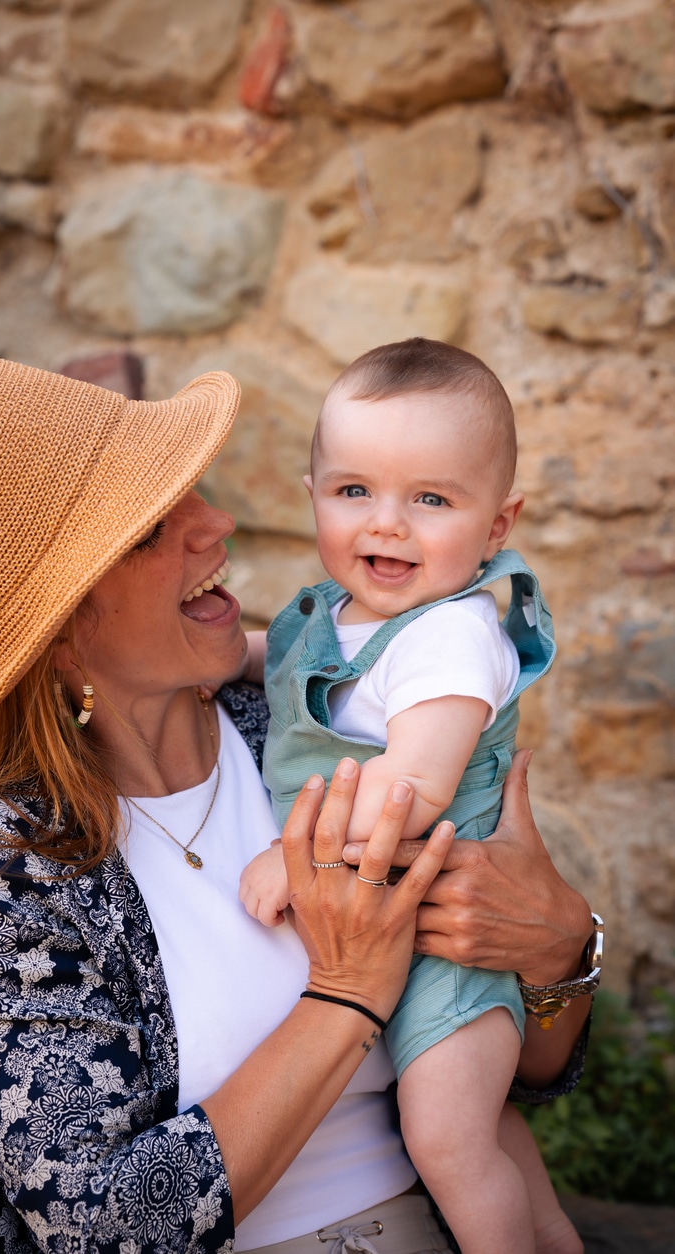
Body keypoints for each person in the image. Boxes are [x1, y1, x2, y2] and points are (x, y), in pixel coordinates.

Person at [0, 353, 599, 1254]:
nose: (215, 525)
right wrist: (346, 995)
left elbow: (526, 1070)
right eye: (148, 528)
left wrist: (561, 954)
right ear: (53, 633)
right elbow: (103, 1227)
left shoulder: (301, 725)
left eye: (190, 491)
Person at [239, 340, 593, 1254]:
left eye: (431, 499)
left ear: (498, 523)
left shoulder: (452, 636)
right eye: (354, 491)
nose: (386, 525)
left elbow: (415, 784)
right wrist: (231, 660)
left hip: (446, 946)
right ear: (311, 488)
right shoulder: (342, 613)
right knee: (485, 1131)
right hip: (392, 927)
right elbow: (291, 669)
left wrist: (294, 855)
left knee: (447, 1137)